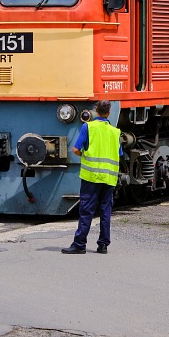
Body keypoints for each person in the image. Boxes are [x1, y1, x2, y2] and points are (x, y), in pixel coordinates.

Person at [62, 100, 121, 255]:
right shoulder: (115, 132)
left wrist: (84, 155)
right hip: (109, 178)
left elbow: (75, 149)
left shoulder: (88, 127)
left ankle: (79, 244)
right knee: (105, 211)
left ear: (95, 110)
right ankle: (103, 245)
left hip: (91, 177)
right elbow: (119, 154)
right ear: (109, 112)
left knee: (86, 211)